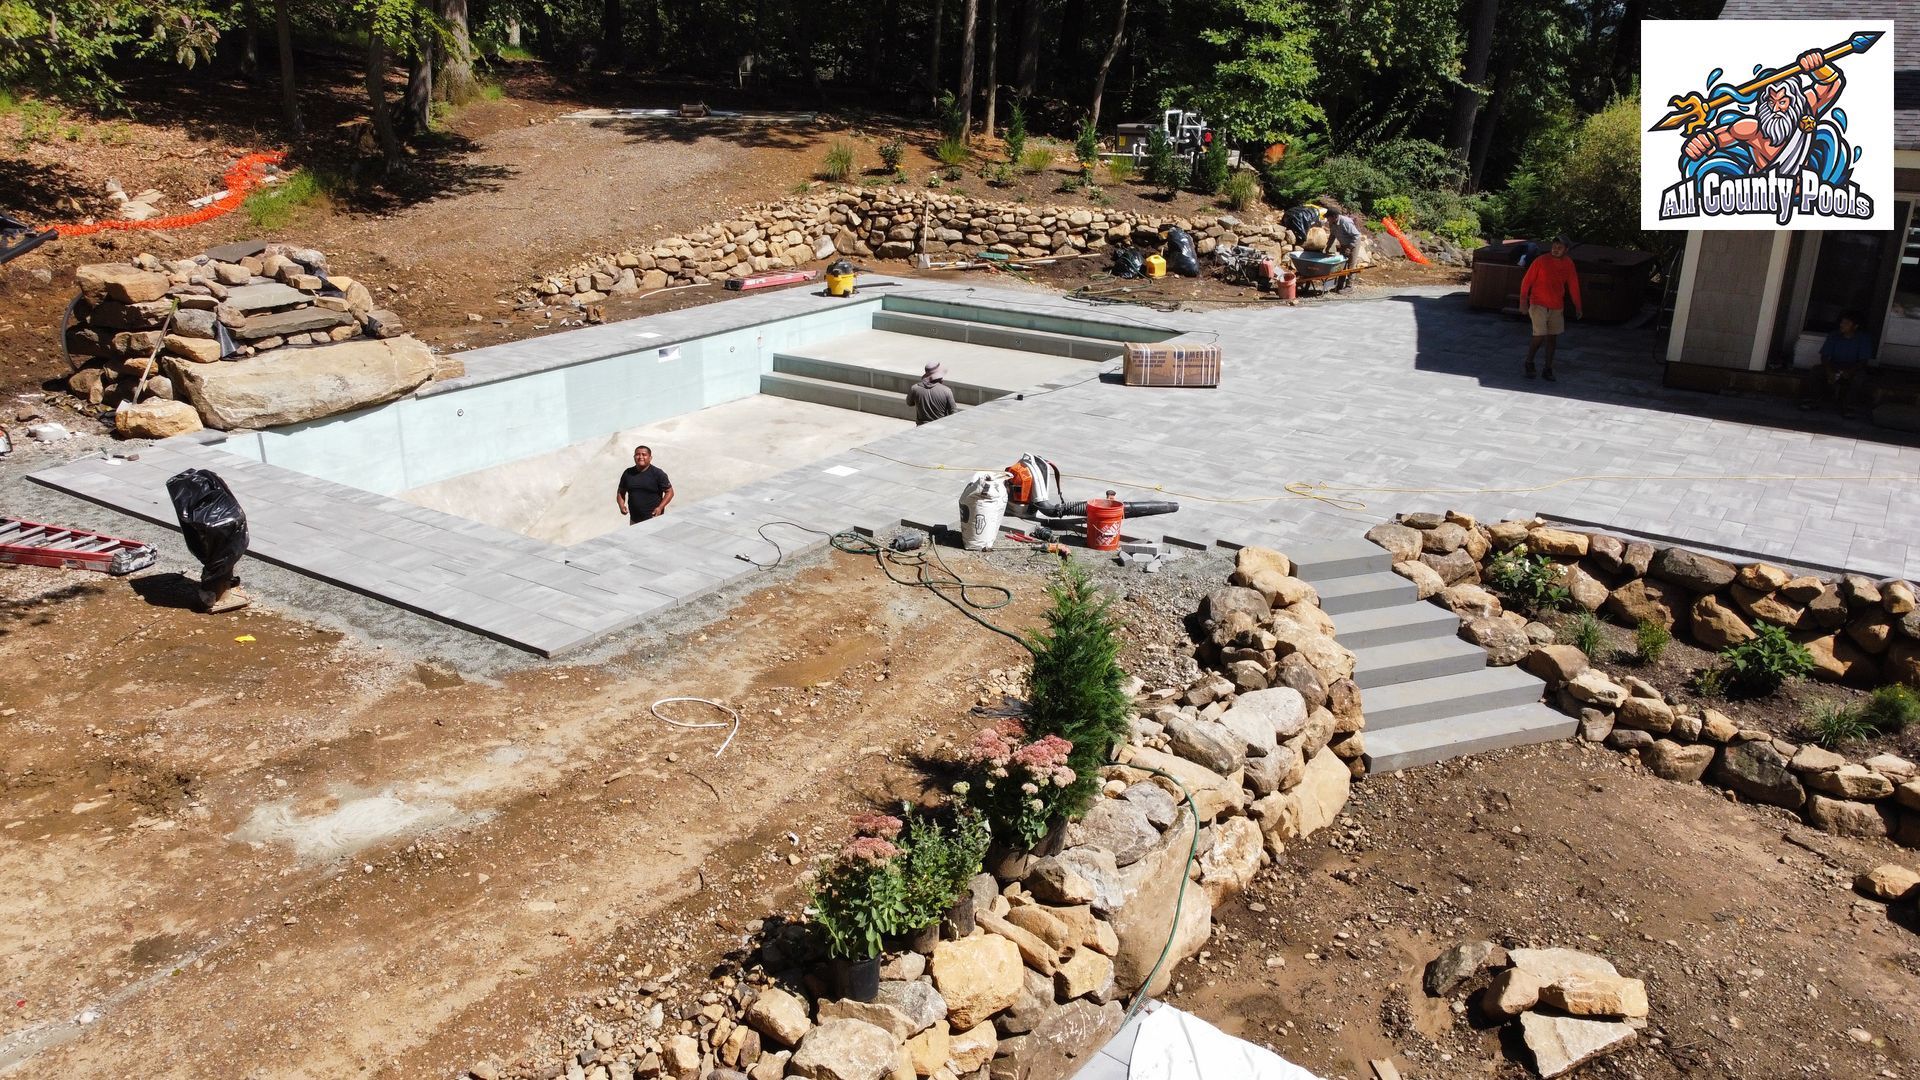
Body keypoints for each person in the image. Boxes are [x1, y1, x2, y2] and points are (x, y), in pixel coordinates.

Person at [1518, 235, 1583, 381]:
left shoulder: (1568, 263)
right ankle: (1529, 362)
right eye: (1554, 246)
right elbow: (1526, 282)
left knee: (1552, 337)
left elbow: (1573, 285)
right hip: (1538, 303)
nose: (1555, 249)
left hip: (1556, 305)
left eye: (1559, 247)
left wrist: (1578, 306)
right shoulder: (1541, 261)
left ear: (1566, 250)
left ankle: (1548, 368)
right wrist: (1523, 302)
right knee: (1540, 334)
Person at [1800, 311, 1873, 417]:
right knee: (1816, 371)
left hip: (1853, 367)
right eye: (1842, 322)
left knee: (1859, 378)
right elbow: (1824, 356)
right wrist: (1829, 371)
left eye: (1846, 323)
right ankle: (1813, 400)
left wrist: (1850, 371)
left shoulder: (1863, 339)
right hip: (1834, 365)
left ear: (1855, 326)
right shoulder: (1834, 335)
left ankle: (1849, 406)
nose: (1842, 325)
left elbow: (1863, 361)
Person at [616, 445, 674, 524]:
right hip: (634, 520)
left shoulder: (658, 473)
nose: (640, 457)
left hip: (654, 519)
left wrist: (660, 508)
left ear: (650, 458)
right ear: (634, 457)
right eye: (637, 454)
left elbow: (669, 492)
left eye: (644, 454)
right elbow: (621, 492)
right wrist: (621, 506)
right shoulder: (628, 473)